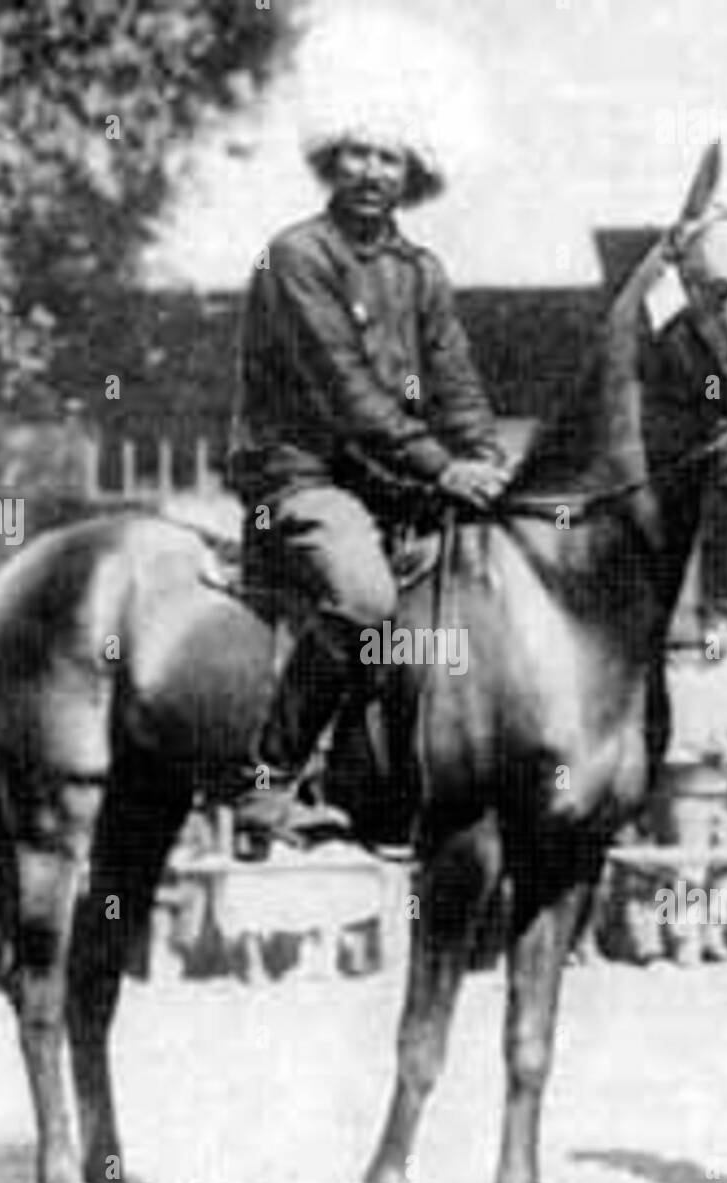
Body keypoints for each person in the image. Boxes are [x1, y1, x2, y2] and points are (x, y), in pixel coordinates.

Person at [230, 94, 512, 838]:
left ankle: (404, 790)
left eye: (388, 157)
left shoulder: (421, 271)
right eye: (356, 152)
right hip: (301, 477)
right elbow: (344, 389)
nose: (370, 171)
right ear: (331, 160)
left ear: (410, 172)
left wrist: (484, 456)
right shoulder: (297, 256)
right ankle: (272, 778)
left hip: (393, 482)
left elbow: (453, 381)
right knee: (365, 597)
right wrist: (441, 467)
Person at [657, 597, 727, 965]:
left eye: (726, 628)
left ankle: (716, 934)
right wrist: (719, 745)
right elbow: (687, 728)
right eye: (711, 627)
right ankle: (683, 939)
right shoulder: (687, 676)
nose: (717, 635)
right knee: (690, 864)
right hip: (692, 780)